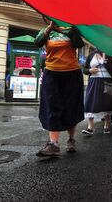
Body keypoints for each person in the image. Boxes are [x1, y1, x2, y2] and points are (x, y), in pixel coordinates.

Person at [34, 18, 85, 156]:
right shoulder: (46, 32)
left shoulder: (72, 29)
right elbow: (37, 42)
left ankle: (71, 140)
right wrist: (51, 28)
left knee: (71, 106)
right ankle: (54, 144)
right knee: (52, 105)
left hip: (72, 74)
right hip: (51, 73)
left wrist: (66, 30)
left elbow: (78, 43)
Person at [81, 50, 112, 135]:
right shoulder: (91, 55)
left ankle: (107, 125)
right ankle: (90, 127)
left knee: (107, 102)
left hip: (107, 82)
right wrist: (90, 70)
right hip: (93, 81)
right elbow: (84, 69)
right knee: (91, 102)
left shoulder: (110, 54)